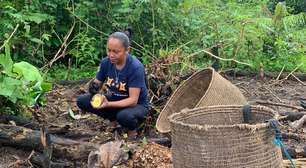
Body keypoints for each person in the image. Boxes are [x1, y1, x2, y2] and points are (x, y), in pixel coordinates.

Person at [77, 31, 149, 139]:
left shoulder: (135, 67)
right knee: (82, 101)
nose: (111, 55)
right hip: (115, 99)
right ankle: (114, 120)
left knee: (124, 116)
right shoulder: (106, 62)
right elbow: (97, 83)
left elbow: (133, 100)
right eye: (109, 50)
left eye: (116, 52)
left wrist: (108, 104)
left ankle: (132, 129)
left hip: (137, 106)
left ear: (127, 50)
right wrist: (93, 88)